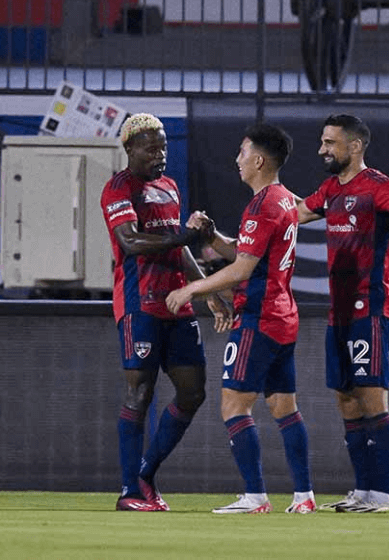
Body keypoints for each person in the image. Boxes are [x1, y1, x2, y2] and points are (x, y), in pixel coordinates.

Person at [165, 124, 315, 514]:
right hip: (283, 316)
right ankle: (304, 496)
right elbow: (247, 252)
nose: (237, 159)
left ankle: (255, 497)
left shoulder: (263, 204)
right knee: (284, 407)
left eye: (243, 152)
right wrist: (213, 237)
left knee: (233, 405)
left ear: (260, 160)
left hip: (258, 318)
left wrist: (191, 290)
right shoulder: (283, 200)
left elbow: (243, 269)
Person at [294, 114, 389, 514]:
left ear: (354, 146)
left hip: (370, 308)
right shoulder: (328, 190)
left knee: (372, 400)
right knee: (347, 401)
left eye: (329, 142)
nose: (322, 149)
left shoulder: (376, 186)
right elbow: (293, 213)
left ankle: (383, 494)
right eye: (322, 142)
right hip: (338, 314)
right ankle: (363, 491)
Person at [101, 113, 231, 512]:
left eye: (164, 147)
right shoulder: (118, 188)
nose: (160, 154)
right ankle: (129, 491)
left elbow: (177, 245)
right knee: (139, 392)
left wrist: (206, 291)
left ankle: (145, 474)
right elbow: (132, 242)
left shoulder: (169, 187)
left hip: (176, 303)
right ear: (129, 149)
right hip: (140, 304)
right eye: (151, 147)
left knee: (193, 392)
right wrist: (185, 235)